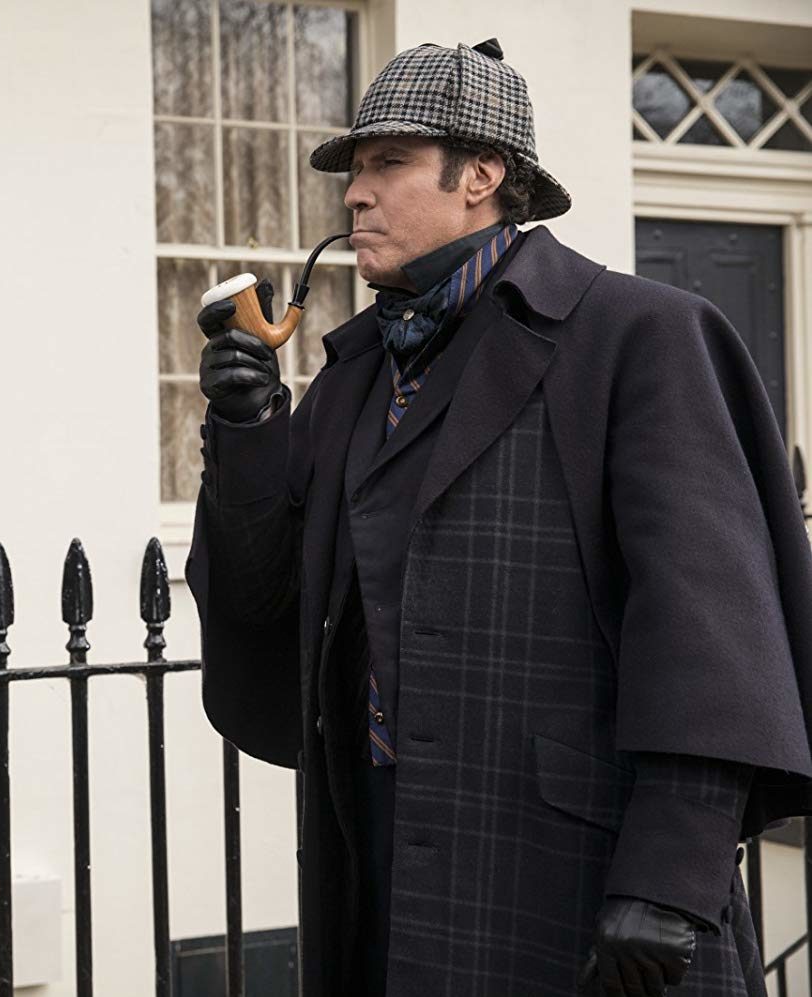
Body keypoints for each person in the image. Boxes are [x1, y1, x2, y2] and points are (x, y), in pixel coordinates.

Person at [188, 38, 812, 997]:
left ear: (481, 175)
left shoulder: (637, 337)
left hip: (577, 874)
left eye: (388, 162)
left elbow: (711, 629)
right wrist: (248, 429)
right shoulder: (357, 373)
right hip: (377, 859)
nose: (356, 194)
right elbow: (259, 591)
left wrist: (670, 871)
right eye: (355, 170)